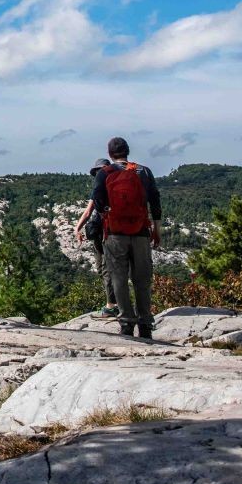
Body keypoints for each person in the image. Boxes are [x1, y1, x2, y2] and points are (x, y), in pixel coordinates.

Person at [92, 137, 162, 339]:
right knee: (142, 280)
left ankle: (126, 323)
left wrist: (107, 213)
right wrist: (157, 229)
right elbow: (155, 200)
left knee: (118, 278)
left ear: (110, 154)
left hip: (114, 233)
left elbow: (97, 199)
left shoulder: (105, 173)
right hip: (140, 232)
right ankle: (145, 324)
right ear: (128, 151)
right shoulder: (143, 171)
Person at [75, 158, 120, 319]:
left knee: (105, 268)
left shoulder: (100, 187)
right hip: (115, 230)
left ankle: (111, 306)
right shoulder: (117, 186)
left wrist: (78, 227)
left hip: (103, 232)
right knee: (107, 268)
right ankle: (117, 302)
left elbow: (88, 212)